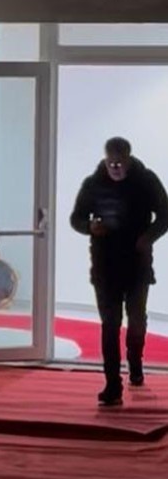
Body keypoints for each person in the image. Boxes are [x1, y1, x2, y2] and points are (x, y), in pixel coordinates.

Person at [70, 137, 168, 406]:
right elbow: (76, 218)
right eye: (110, 161)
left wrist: (148, 237)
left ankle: (135, 362)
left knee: (136, 319)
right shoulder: (93, 184)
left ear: (128, 158)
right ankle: (112, 384)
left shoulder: (146, 181)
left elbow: (165, 214)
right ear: (105, 158)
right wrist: (90, 227)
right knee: (110, 325)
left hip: (137, 263)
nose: (115, 166)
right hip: (105, 265)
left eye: (119, 161)